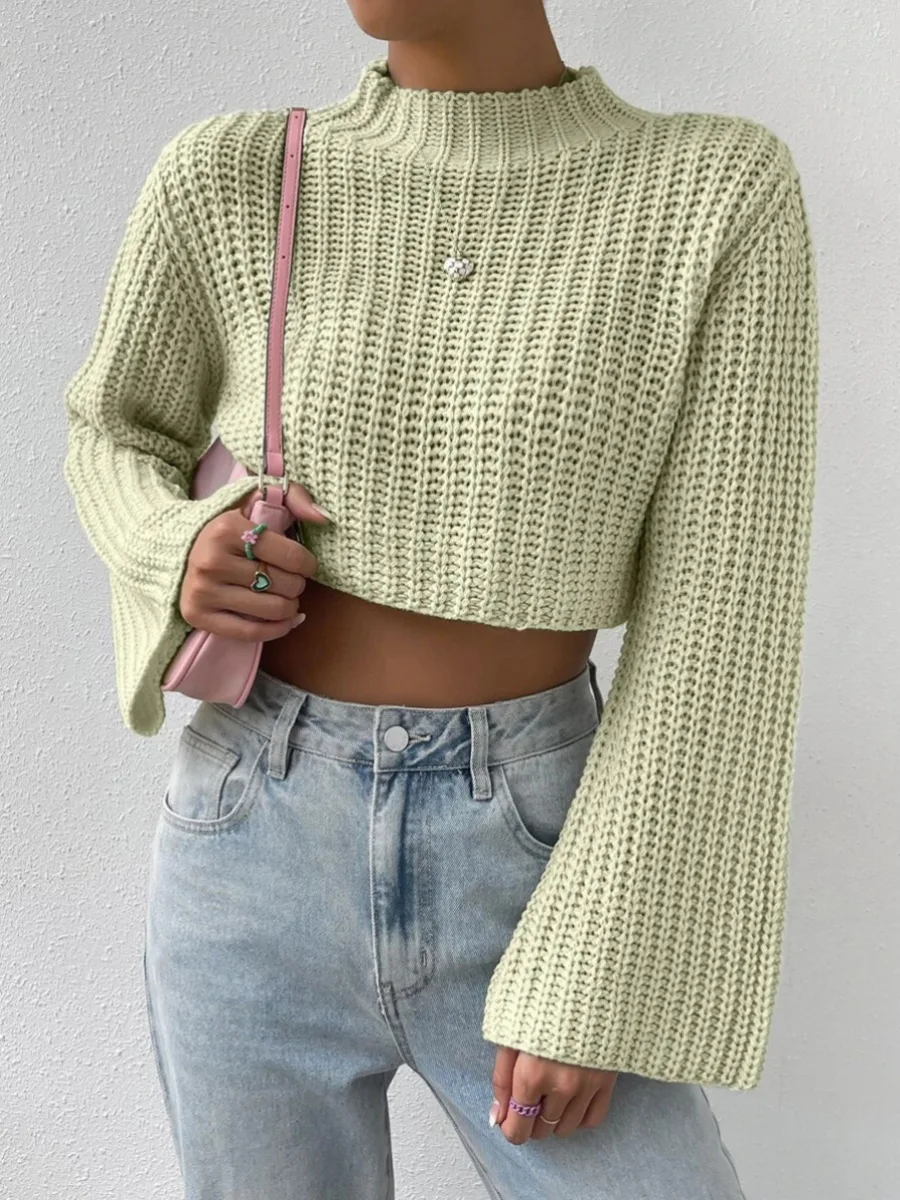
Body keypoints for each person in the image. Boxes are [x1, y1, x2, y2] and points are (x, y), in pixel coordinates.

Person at [61, 0, 819, 1195]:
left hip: (538, 848)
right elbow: (115, 427)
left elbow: (724, 617)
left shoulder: (713, 191)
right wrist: (176, 547)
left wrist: (601, 961)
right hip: (249, 838)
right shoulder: (231, 173)